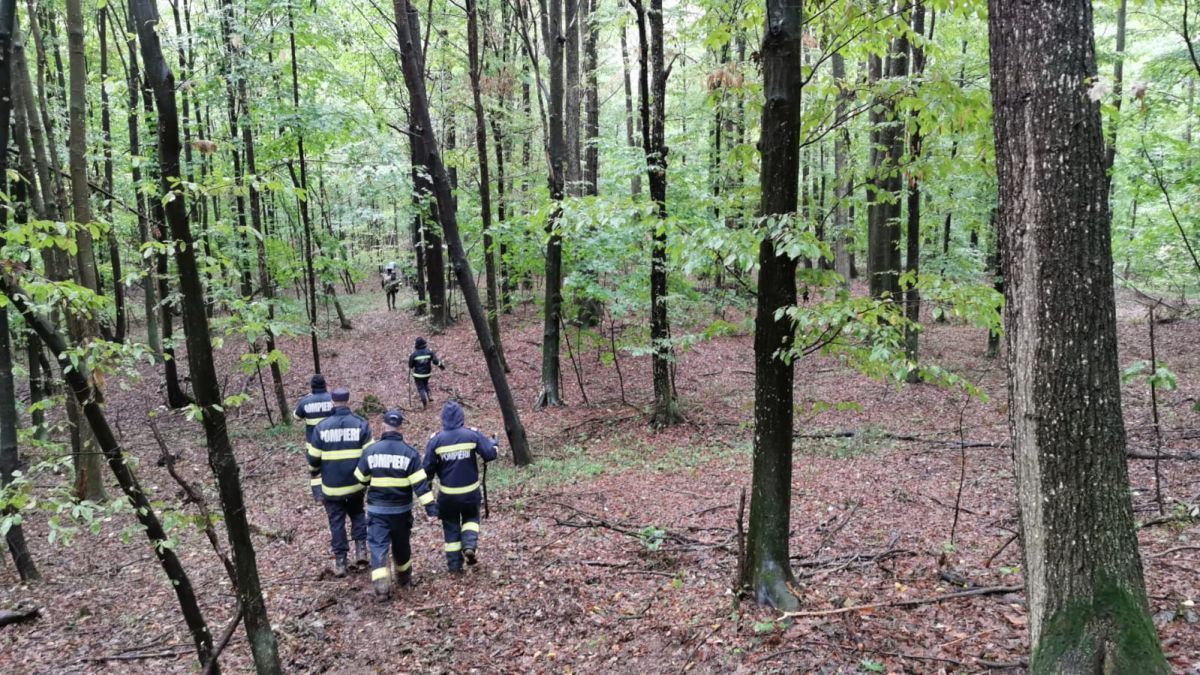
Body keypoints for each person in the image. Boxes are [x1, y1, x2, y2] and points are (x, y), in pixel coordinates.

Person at [354, 409, 437, 600]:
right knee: (401, 545)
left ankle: (382, 587)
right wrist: (431, 510)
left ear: (383, 426)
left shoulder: (371, 451)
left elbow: (360, 478)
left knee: (378, 546)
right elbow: (421, 486)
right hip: (401, 511)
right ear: (401, 428)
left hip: (377, 511)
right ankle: (404, 578)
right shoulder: (410, 453)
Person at [423, 401, 498, 573]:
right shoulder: (472, 435)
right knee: (471, 518)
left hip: (447, 497)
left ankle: (454, 566)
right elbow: (490, 454)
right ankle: (469, 544)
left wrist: (428, 498)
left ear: (443, 418)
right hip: (471, 494)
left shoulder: (435, 440)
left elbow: (427, 470)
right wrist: (494, 444)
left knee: (451, 527)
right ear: (461, 417)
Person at [308, 387, 372, 577]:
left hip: (332, 487)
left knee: (336, 523)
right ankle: (361, 551)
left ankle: (341, 562)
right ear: (348, 400)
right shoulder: (361, 424)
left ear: (332, 402)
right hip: (356, 484)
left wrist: (315, 472)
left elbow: (313, 458)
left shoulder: (322, 427)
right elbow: (369, 454)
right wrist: (366, 478)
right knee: (358, 514)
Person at [293, 374, 334, 500]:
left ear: (312, 386)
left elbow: (296, 417)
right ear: (325, 385)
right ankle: (332, 491)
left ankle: (318, 495)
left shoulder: (306, 401)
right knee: (332, 466)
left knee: (315, 469)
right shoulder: (332, 399)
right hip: (331, 441)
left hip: (312, 444)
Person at [407, 337, 445, 409]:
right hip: (427, 374)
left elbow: (410, 366)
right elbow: (435, 361)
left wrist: (412, 363)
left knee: (421, 388)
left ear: (416, 345)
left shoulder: (414, 354)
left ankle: (424, 402)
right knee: (425, 383)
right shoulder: (429, 352)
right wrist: (441, 366)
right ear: (424, 343)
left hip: (418, 375)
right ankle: (429, 395)